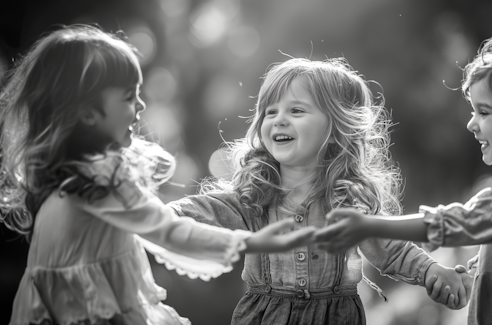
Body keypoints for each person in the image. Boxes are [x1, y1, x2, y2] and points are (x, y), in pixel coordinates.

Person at [0, 24, 316, 325]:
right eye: (128, 97)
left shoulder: (60, 180)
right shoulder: (102, 180)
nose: (140, 106)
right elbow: (170, 232)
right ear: (87, 112)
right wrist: (251, 242)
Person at [314, 34, 492, 324]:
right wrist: (476, 273)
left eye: (484, 112)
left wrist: (368, 224)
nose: (471, 123)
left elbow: (456, 223)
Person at [168, 57, 471, 325]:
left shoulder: (348, 200)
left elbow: (390, 247)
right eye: (270, 112)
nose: (279, 120)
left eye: (297, 110)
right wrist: (158, 216)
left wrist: (431, 271)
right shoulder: (254, 197)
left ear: (335, 127)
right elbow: (204, 210)